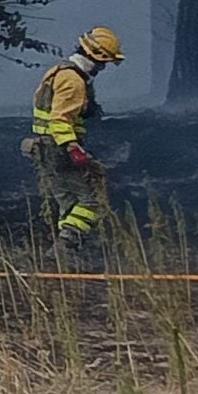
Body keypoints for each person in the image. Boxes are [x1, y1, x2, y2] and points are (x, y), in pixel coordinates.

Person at [25, 27, 124, 252]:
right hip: (59, 149)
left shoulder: (59, 71)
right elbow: (60, 118)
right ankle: (65, 246)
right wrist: (73, 148)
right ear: (95, 56)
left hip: (46, 148)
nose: (103, 67)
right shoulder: (73, 80)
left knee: (68, 203)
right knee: (93, 201)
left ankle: (66, 256)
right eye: (103, 62)